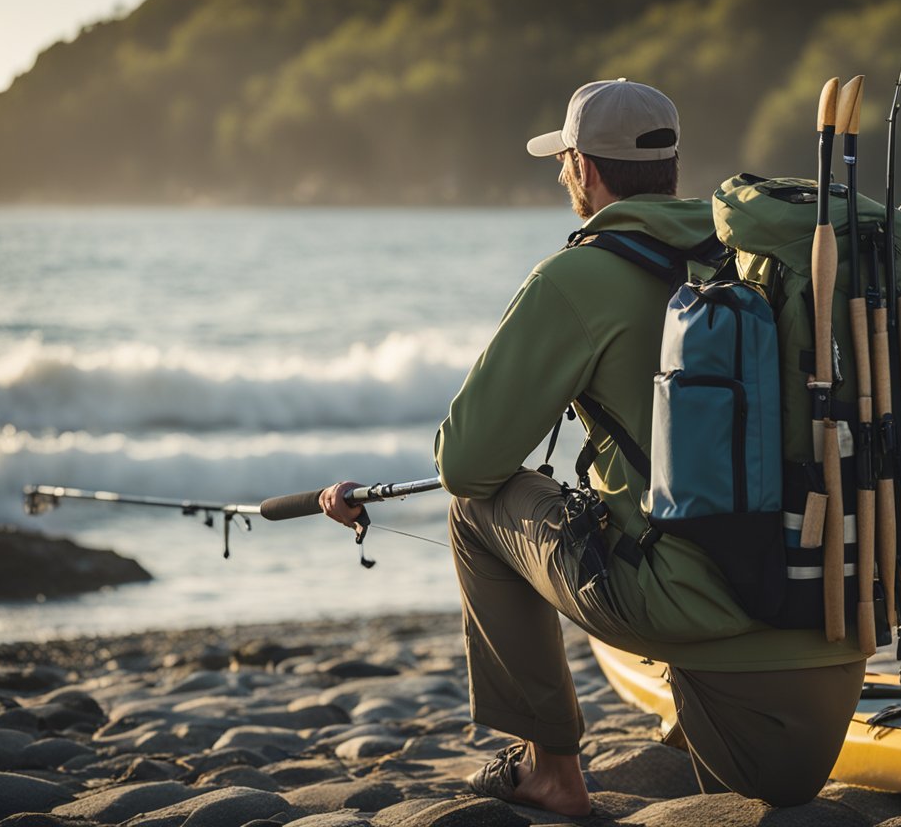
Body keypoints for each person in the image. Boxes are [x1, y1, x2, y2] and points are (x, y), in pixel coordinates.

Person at [319, 78, 866, 817]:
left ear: (584, 167)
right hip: (834, 623)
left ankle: (551, 770)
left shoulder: (577, 275)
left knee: (473, 508)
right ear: (670, 167)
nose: (561, 174)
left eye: (564, 160)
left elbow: (466, 463)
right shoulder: (756, 263)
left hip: (705, 619)